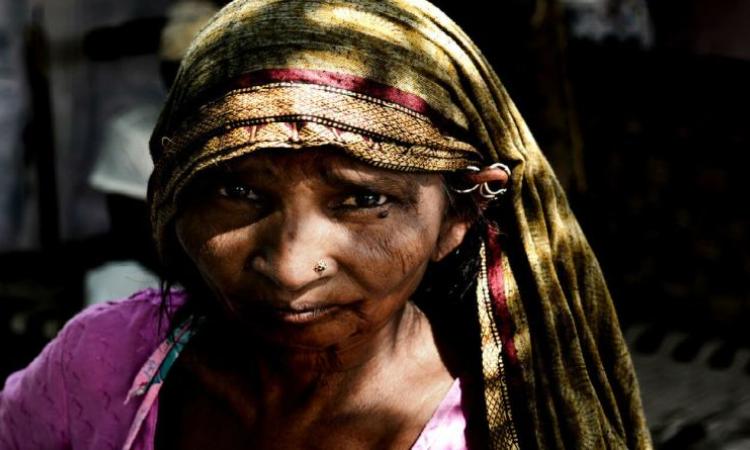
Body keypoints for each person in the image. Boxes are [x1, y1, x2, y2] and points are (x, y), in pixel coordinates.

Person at [0, 0, 652, 448]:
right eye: (236, 191)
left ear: (461, 212)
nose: (289, 268)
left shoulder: (507, 423)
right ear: (174, 190)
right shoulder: (107, 363)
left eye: (363, 201)